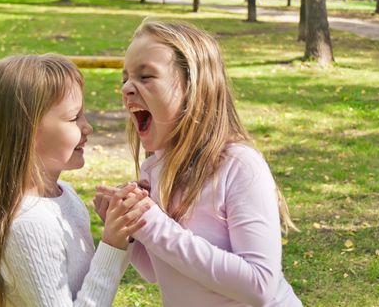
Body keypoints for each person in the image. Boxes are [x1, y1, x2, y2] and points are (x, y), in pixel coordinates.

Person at [95, 20, 303, 306]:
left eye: (145, 77)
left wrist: (153, 224)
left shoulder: (239, 166)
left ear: (194, 89)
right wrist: (131, 230)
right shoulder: (156, 166)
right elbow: (163, 270)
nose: (127, 88)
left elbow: (260, 285)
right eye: (125, 78)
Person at [0, 54, 150, 307]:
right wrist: (111, 244)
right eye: (74, 118)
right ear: (25, 130)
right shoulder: (29, 224)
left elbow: (90, 288)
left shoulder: (65, 195)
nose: (88, 128)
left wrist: (119, 231)